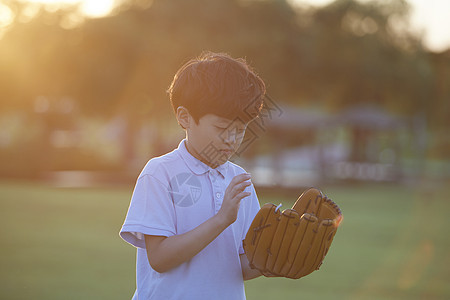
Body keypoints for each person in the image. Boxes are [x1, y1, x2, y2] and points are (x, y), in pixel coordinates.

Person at [120, 51, 266, 299]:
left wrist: (270, 262)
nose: (232, 140)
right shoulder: (159, 173)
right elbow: (160, 258)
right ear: (184, 117)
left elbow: (237, 266)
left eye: (240, 129)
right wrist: (221, 219)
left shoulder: (240, 180)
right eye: (221, 128)